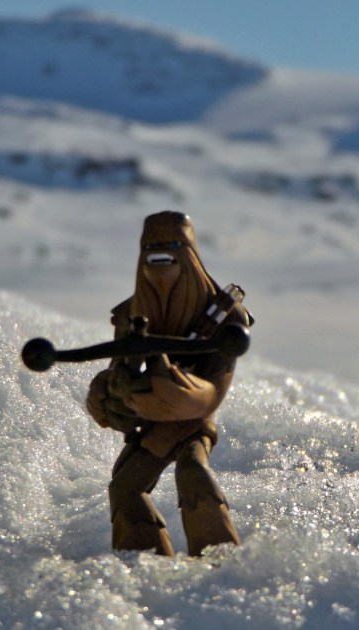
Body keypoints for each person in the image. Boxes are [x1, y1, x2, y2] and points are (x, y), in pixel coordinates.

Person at [85, 211, 250, 557]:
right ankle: (144, 566)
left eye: (171, 246)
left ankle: (221, 566)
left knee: (193, 473)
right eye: (150, 248)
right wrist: (108, 397)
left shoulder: (226, 318)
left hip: (191, 422)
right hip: (152, 423)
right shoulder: (133, 314)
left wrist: (180, 393)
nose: (159, 257)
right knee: (125, 488)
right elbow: (119, 370)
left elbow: (213, 391)